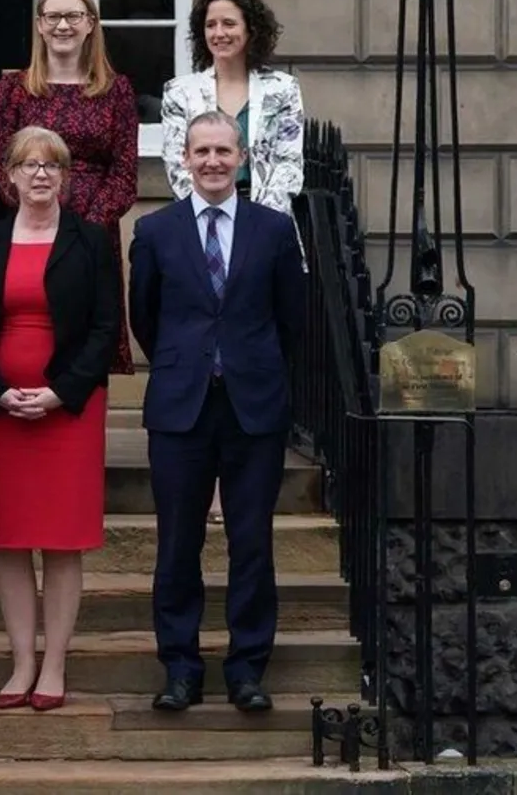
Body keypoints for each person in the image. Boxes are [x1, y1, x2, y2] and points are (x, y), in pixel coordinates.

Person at [128, 110, 306, 715]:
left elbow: (293, 321)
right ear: (183, 157)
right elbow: (144, 319)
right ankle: (180, 668)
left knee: (251, 541)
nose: (211, 161)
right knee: (177, 543)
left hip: (254, 408)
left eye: (223, 152)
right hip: (181, 409)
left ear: (243, 158)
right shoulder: (155, 232)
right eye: (201, 151)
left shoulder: (275, 230)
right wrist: (190, 363)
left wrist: (249, 366)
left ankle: (247, 669)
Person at [0, 126, 119, 712]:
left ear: (67, 177)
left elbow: (106, 329)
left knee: (60, 541)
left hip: (68, 412)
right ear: (9, 176)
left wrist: (58, 393)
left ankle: (55, 664)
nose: (40, 174)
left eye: (52, 165)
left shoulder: (92, 241)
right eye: (28, 165)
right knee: (9, 539)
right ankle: (21, 659)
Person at [159, 0, 304, 526]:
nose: (220, 34)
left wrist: (253, 231)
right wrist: (212, 215)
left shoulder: (282, 89)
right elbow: (179, 168)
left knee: (253, 345)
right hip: (200, 229)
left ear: (251, 30)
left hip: (262, 232)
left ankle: (239, 484)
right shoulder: (181, 91)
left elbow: (289, 165)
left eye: (230, 24)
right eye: (211, 25)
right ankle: (207, 484)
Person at [0, 0, 138, 378]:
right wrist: (43, 216)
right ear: (39, 25)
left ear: (91, 23)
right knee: (32, 323)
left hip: (95, 229)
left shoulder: (116, 90)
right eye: (53, 16)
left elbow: (125, 173)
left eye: (73, 16)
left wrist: (84, 229)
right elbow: (3, 168)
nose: (62, 26)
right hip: (30, 225)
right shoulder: (13, 89)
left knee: (87, 331)